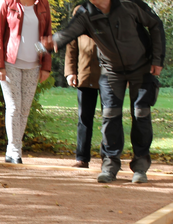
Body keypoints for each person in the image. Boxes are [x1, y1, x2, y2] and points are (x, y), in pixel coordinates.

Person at [43, 0, 164, 183]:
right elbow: (65, 36)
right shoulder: (85, 13)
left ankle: (140, 166)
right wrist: (39, 46)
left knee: (141, 113)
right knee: (110, 115)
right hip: (111, 70)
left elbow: (155, 24)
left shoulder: (129, 4)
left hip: (142, 67)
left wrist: (157, 59)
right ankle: (109, 165)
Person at [0, 0, 52, 164]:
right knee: (13, 107)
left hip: (34, 65)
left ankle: (13, 149)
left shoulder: (42, 4)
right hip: (10, 63)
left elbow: (47, 35)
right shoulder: (7, 2)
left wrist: (46, 65)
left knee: (24, 109)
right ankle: (14, 150)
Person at [63, 5, 101, 169]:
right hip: (86, 74)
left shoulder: (115, 10)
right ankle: (82, 158)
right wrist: (70, 71)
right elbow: (71, 44)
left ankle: (110, 159)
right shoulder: (80, 10)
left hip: (111, 76)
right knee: (84, 118)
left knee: (111, 118)